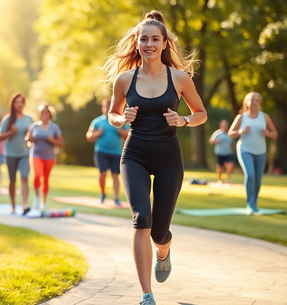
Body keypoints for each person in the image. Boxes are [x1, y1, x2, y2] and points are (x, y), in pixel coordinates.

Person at [105, 11, 207, 305]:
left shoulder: (179, 78)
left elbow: (202, 114)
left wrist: (184, 121)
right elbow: (112, 114)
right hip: (134, 155)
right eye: (144, 39)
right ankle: (146, 294)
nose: (149, 44)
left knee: (159, 231)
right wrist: (120, 118)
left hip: (168, 159)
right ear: (136, 43)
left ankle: (164, 251)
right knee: (142, 219)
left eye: (155, 39)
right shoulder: (124, 79)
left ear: (165, 44)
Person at [228, 92, 277, 215]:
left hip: (261, 151)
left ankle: (254, 203)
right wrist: (241, 131)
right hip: (245, 149)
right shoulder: (241, 117)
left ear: (259, 102)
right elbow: (230, 133)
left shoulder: (264, 117)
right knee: (250, 175)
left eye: (256, 100)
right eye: (251, 100)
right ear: (247, 103)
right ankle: (250, 204)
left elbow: (274, 133)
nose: (254, 102)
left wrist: (268, 133)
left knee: (258, 180)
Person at [86, 98, 129, 205]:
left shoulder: (119, 121)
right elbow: (89, 136)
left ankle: (116, 198)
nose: (107, 108)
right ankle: (103, 194)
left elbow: (128, 135)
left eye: (110, 106)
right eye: (106, 106)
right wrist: (97, 133)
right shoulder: (97, 122)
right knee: (103, 173)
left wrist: (119, 130)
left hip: (116, 152)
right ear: (103, 108)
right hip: (101, 152)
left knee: (115, 175)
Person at [0, 93, 33, 215]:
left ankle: (24, 205)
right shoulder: (7, 119)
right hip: (11, 154)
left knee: (24, 177)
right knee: (12, 180)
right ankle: (13, 206)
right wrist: (11, 132)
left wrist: (30, 136)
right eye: (16, 102)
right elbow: (0, 137)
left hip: (25, 153)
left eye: (21, 102)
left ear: (24, 104)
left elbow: (32, 138)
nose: (19, 104)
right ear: (13, 104)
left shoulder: (29, 119)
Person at [26, 103, 64, 210]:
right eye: (42, 112)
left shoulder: (54, 127)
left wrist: (53, 140)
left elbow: (61, 143)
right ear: (39, 114)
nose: (44, 114)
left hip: (49, 157)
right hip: (36, 155)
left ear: (49, 114)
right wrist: (29, 138)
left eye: (46, 112)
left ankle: (43, 201)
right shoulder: (34, 126)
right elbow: (28, 140)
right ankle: (37, 197)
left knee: (46, 179)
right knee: (37, 175)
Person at [209, 119, 234, 184]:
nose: (225, 126)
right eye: (223, 125)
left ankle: (228, 179)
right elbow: (211, 141)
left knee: (231, 165)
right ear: (221, 125)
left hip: (228, 153)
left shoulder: (229, 133)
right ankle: (219, 180)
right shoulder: (217, 133)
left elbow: (232, 143)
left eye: (226, 125)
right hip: (220, 153)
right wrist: (217, 140)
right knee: (220, 167)